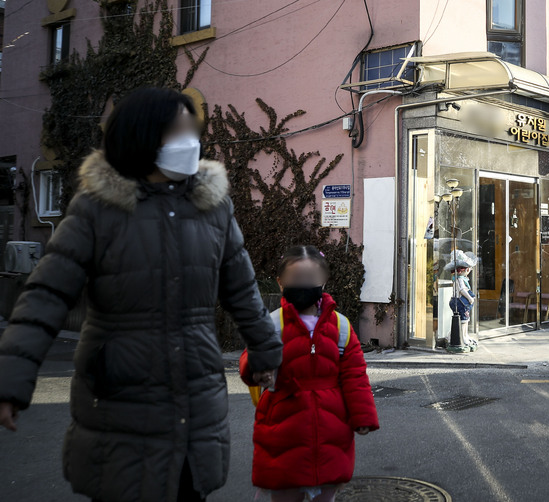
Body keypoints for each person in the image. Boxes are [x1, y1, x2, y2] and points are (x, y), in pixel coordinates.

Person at [0, 87, 283, 502]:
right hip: (119, 400)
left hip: (196, 395)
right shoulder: (96, 208)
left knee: (188, 489)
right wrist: (10, 383)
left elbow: (241, 290)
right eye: (177, 130)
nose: (191, 140)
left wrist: (265, 354)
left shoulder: (214, 207)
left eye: (193, 129)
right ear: (142, 135)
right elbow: (45, 296)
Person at [240, 245, 379, 502]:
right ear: (281, 283)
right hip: (282, 428)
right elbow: (250, 358)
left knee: (326, 493)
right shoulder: (271, 323)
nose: (302, 287)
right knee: (285, 490)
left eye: (309, 281)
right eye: (295, 281)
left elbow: (355, 375)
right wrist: (257, 370)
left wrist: (363, 416)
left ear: (323, 282)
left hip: (331, 430)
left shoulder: (341, 326)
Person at [445, 249, 478, 345]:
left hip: (459, 302)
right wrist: (470, 298)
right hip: (459, 302)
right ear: (466, 269)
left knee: (464, 319)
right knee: (463, 320)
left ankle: (460, 335)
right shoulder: (459, 280)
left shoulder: (461, 279)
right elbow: (462, 290)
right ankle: (462, 337)